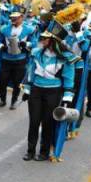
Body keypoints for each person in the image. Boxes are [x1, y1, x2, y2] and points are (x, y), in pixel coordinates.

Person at [22, 17, 75, 163]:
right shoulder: (36, 53)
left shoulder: (66, 58)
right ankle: (30, 151)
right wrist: (27, 89)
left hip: (54, 92)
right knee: (33, 122)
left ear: (53, 41)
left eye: (45, 38)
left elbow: (69, 78)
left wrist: (67, 97)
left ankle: (44, 152)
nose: (42, 40)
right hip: (36, 90)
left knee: (48, 123)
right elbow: (31, 71)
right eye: (42, 38)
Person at [0, 9, 34, 109]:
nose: (13, 20)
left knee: (18, 82)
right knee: (2, 81)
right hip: (6, 59)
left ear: (21, 18)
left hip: (20, 59)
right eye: (12, 18)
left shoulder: (29, 29)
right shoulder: (4, 29)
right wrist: (1, 46)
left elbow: (34, 42)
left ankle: (14, 101)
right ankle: (2, 100)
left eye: (16, 18)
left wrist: (26, 44)